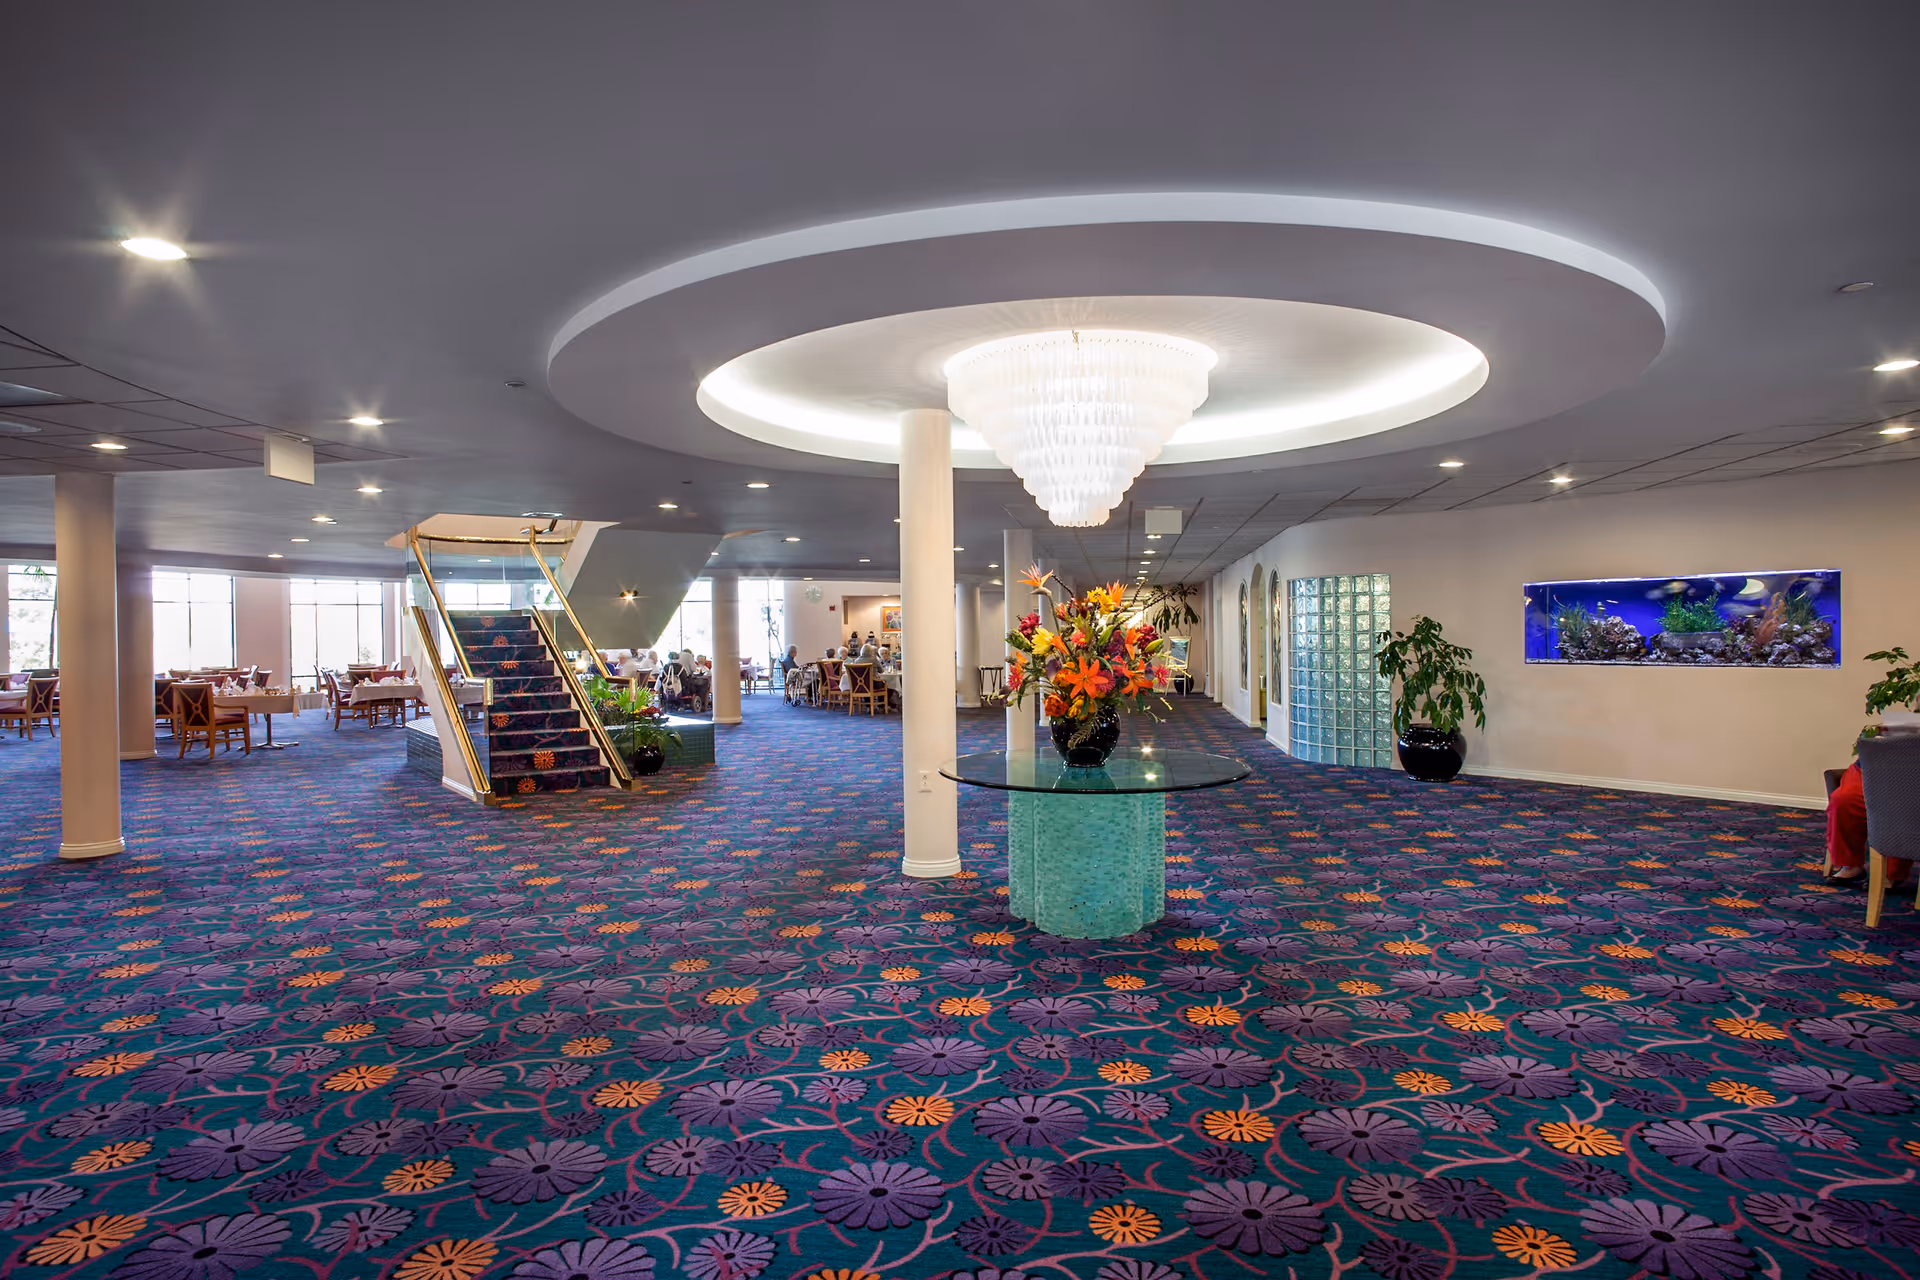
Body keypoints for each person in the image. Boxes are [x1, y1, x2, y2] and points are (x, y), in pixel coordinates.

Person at [1826, 735, 1915, 888]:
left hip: (1912, 774)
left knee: (1901, 805)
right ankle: (1851, 865)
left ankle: (1891, 873)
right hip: (1881, 765)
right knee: (1843, 801)